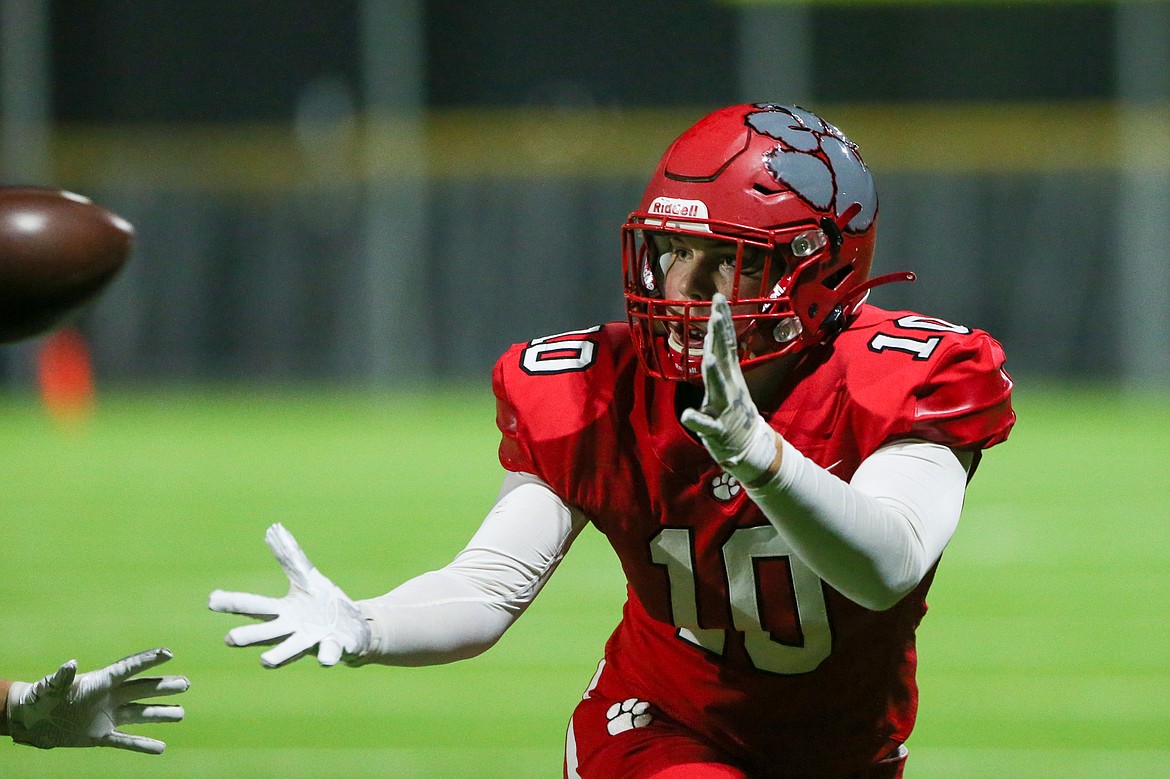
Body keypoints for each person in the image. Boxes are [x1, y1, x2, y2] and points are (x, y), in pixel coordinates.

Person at [210, 103, 1014, 778]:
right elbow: (488, 586)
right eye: (673, 252)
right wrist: (369, 624)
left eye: (724, 260)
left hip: (844, 752)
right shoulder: (602, 384)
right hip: (659, 730)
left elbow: (889, 564)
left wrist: (759, 455)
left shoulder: (907, 373)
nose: (681, 286)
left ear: (814, 270)